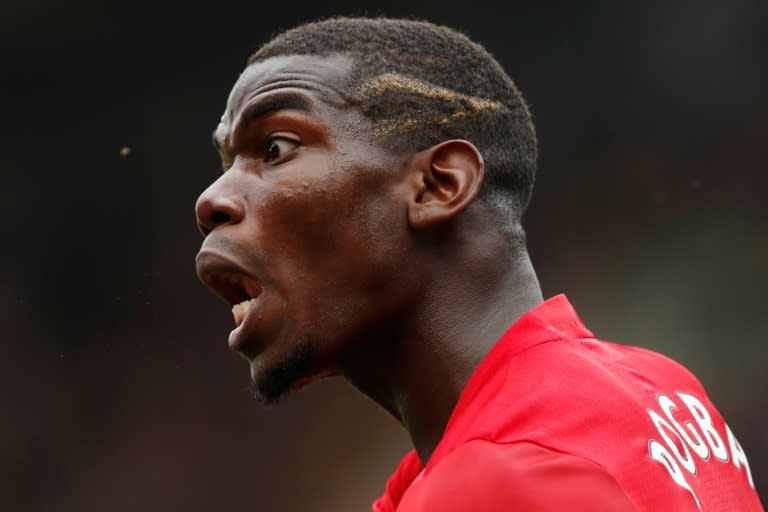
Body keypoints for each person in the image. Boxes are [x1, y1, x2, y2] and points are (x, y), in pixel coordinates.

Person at [194, 16, 764, 511]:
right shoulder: (661, 391)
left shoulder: (502, 478)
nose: (211, 199)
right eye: (226, 161)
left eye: (275, 148)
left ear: (439, 185)